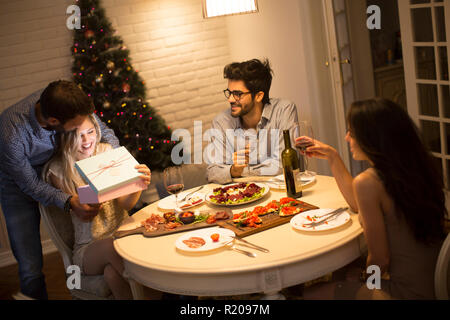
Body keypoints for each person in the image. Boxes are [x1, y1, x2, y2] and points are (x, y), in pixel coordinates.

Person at [297, 98, 447, 299]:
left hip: (406, 292)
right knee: (345, 270)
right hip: (434, 281)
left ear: (371, 137)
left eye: (351, 132)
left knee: (309, 294)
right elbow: (358, 205)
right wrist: (333, 156)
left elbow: (379, 259)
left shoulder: (368, 182)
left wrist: (368, 282)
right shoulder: (414, 167)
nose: (346, 138)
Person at [0, 80, 120, 300]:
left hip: (63, 166)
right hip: (18, 184)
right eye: (75, 129)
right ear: (53, 122)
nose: (82, 133)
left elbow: (105, 133)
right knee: (29, 262)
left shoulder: (65, 103)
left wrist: (120, 164)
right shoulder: (11, 132)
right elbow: (31, 185)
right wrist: (69, 200)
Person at [46, 115, 151, 299]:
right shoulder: (59, 169)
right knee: (112, 247)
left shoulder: (107, 151)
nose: (87, 141)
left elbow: (126, 204)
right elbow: (85, 213)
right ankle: (157, 290)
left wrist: (138, 184)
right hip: (89, 247)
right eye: (78, 135)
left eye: (90, 132)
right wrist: (99, 191)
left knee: (111, 273)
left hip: (121, 233)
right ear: (65, 137)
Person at [205, 58, 300, 184]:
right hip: (243, 197)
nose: (231, 99)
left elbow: (286, 165)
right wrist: (234, 170)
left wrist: (242, 171)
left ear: (259, 96)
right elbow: (212, 173)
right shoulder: (221, 121)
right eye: (229, 92)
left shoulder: (284, 110)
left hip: (282, 193)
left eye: (238, 94)